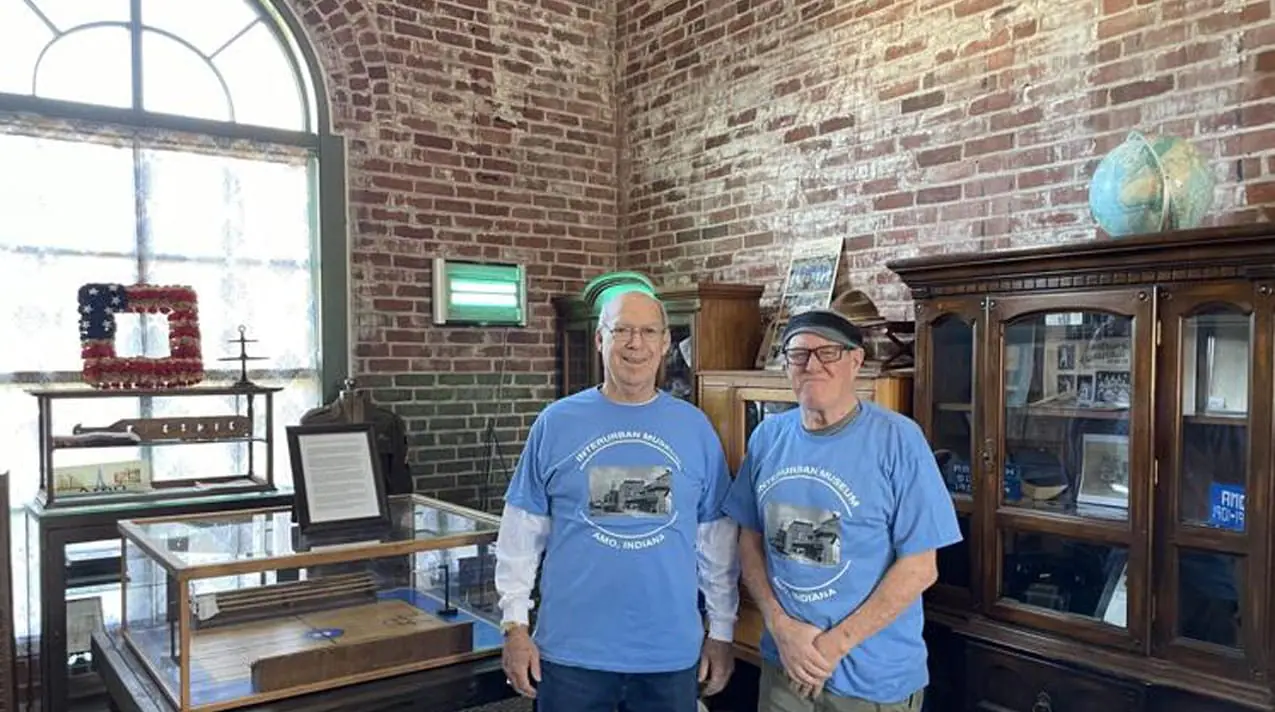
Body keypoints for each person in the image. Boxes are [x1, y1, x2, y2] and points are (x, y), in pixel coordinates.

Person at [494, 288, 740, 712]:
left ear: (666, 343)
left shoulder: (695, 429)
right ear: (599, 340)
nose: (635, 343)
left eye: (648, 331)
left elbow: (717, 544)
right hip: (571, 655)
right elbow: (520, 533)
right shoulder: (556, 423)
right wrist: (514, 626)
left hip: (669, 656)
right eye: (622, 330)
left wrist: (722, 631)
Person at [723, 308, 961, 712]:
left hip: (870, 681)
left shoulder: (898, 440)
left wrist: (833, 646)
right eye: (798, 355)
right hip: (784, 667)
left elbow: (921, 568)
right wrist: (781, 628)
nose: (811, 364)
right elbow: (749, 542)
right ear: (786, 367)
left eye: (827, 353)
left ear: (856, 362)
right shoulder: (767, 437)